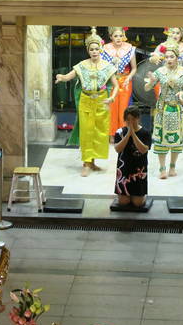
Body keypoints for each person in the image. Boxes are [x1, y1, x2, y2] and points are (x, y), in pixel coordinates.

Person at [55, 28, 117, 178]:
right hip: (86, 101)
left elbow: (116, 85)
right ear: (88, 50)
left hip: (101, 101)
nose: (94, 51)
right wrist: (61, 77)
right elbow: (69, 76)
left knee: (99, 133)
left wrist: (112, 97)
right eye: (91, 49)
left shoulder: (107, 67)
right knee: (87, 132)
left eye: (97, 49)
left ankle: (92, 162)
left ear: (101, 49)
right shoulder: (81, 65)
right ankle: (86, 163)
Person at [143, 42, 183, 179]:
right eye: (166, 57)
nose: (168, 59)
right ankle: (162, 168)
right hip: (162, 109)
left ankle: (172, 166)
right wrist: (151, 81)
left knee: (176, 140)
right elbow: (147, 88)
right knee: (160, 139)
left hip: (177, 109)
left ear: (177, 57)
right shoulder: (160, 72)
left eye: (171, 57)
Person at [112, 106, 151, 209]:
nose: (131, 122)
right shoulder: (120, 132)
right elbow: (118, 149)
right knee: (123, 202)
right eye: (128, 119)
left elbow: (143, 150)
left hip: (139, 170)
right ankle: (125, 195)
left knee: (137, 203)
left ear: (138, 118)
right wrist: (127, 135)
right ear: (125, 120)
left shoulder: (145, 133)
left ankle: (142, 196)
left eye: (133, 119)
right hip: (124, 169)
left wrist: (133, 134)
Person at [102, 26, 137, 135]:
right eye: (116, 36)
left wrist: (128, 78)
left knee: (124, 108)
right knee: (111, 108)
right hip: (110, 81)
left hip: (125, 81)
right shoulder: (104, 49)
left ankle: (123, 133)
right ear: (111, 37)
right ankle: (111, 134)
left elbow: (134, 68)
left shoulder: (129, 49)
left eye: (121, 36)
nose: (118, 38)